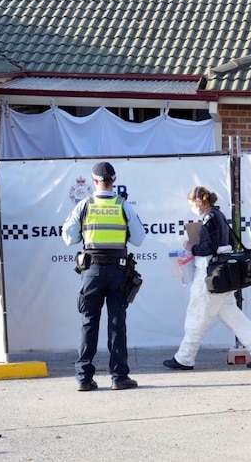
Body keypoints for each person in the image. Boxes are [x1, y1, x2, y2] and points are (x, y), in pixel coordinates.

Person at [163, 186, 251, 370]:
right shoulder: (219, 215)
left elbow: (209, 247)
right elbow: (226, 242)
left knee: (196, 316)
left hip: (209, 275)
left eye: (192, 202)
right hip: (221, 275)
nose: (191, 206)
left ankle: (184, 358)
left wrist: (192, 247)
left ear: (199, 201)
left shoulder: (209, 218)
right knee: (233, 316)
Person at [62, 161, 146, 391]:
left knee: (89, 323)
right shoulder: (124, 205)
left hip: (92, 271)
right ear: (114, 181)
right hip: (119, 271)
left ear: (94, 181)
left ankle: (84, 378)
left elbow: (69, 238)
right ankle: (119, 377)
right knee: (117, 324)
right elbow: (139, 239)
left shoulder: (84, 205)